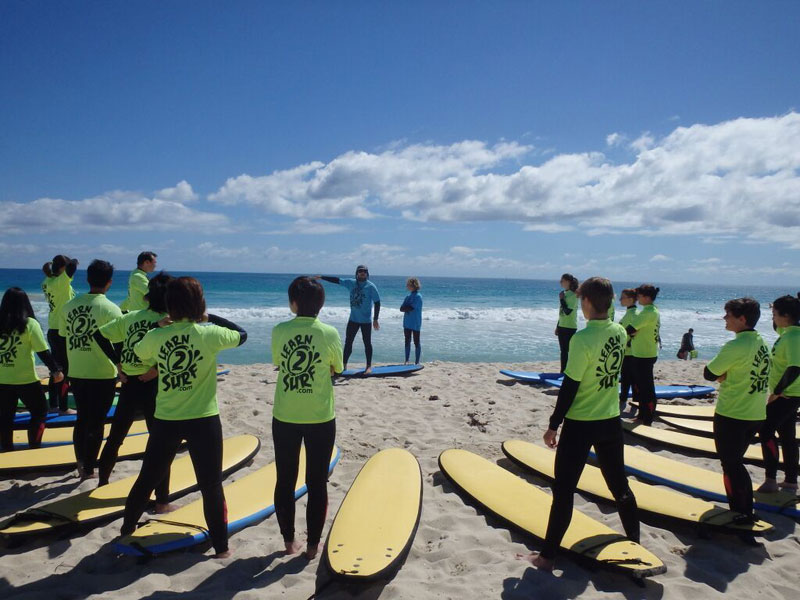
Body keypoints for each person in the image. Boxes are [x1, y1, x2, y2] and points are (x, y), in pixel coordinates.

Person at [121, 276, 247, 558]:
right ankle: (222, 550)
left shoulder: (157, 337)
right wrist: (208, 316)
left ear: (169, 306)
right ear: (199, 305)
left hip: (166, 419)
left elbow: (137, 349)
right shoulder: (210, 334)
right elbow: (242, 334)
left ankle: (126, 531)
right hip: (204, 419)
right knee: (211, 485)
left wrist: (158, 325)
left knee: (147, 479)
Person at [523, 277, 638, 572]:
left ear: (586, 302)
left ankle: (546, 557)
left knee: (563, 490)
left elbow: (570, 386)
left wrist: (553, 424)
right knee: (620, 486)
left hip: (580, 423)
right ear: (611, 302)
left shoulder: (582, 339)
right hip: (610, 420)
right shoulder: (620, 332)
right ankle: (635, 543)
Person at [270, 276, 342, 559]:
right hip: (320, 417)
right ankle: (313, 546)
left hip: (285, 415)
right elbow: (337, 368)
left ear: (293, 303)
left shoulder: (279, 331)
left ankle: (289, 542)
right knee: (317, 481)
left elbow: (279, 362)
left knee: (285, 480)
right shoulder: (330, 333)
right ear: (321, 305)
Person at [93, 272, 174, 511]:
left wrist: (117, 362)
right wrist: (158, 370)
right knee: (160, 444)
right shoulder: (171, 322)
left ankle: (103, 483)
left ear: (148, 297)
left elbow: (99, 335)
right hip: (153, 386)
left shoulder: (131, 317)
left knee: (116, 437)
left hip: (128, 384)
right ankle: (161, 502)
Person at [703, 297, 770, 529]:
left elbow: (709, 373)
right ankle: (743, 510)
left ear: (742, 319)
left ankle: (742, 513)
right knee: (735, 463)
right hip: (756, 413)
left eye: (728, 315)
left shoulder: (735, 346)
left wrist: (723, 375)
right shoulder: (761, 341)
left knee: (731, 466)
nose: (724, 318)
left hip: (733, 413)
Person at [59, 260, 122, 479]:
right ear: (109, 282)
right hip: (102, 373)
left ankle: (80, 463)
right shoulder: (111, 309)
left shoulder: (68, 307)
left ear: (88, 279)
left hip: (77, 371)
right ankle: (88, 469)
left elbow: (64, 338)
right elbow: (119, 343)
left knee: (83, 419)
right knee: (96, 422)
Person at [0, 288, 63, 451]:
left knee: (5, 418)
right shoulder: (29, 324)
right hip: (26, 380)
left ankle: (7, 449)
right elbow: (42, 351)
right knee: (40, 411)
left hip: (2, 381)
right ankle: (34, 447)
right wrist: (56, 370)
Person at [757, 294, 800, 494]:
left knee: (766, 431)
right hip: (789, 394)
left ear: (785, 315)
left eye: (774, 313)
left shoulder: (793, 337)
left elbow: (795, 368)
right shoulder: (788, 332)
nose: (772, 317)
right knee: (787, 436)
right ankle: (791, 480)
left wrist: (776, 392)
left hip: (787, 394)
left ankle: (771, 480)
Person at [315, 265, 380, 374]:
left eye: (364, 271)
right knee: (348, 343)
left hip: (366, 321)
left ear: (367, 273)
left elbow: (377, 302)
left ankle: (368, 366)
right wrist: (322, 277)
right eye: (360, 271)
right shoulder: (351, 283)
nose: (362, 273)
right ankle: (343, 365)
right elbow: (337, 280)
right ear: (357, 273)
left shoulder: (371, 286)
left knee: (367, 343)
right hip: (353, 319)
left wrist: (375, 319)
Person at [41, 254, 78, 414]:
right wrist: (71, 262)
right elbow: (73, 266)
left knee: (56, 369)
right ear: (63, 268)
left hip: (53, 328)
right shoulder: (61, 282)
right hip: (62, 330)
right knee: (65, 371)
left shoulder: (47, 281)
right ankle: (63, 407)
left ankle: (54, 404)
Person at [625, 284, 661, 425]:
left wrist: (633, 331)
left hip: (644, 355)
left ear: (646, 297)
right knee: (640, 387)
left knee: (647, 389)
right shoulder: (651, 310)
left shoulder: (648, 313)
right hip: (642, 353)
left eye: (639, 296)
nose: (637, 298)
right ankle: (642, 416)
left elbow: (629, 329)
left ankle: (647, 419)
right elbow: (634, 330)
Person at [554, 273, 579, 373]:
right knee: (563, 351)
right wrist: (557, 326)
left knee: (568, 351)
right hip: (562, 326)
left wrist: (561, 299)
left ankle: (567, 371)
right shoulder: (564, 293)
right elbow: (561, 314)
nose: (560, 282)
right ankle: (562, 371)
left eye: (562, 280)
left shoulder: (574, 295)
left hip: (570, 327)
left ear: (568, 282)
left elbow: (568, 312)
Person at [618, 288, 637, 411]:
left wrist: (628, 342)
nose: (620, 299)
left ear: (630, 299)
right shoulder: (629, 313)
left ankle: (632, 403)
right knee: (625, 378)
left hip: (631, 353)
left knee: (630, 379)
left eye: (622, 297)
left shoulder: (634, 314)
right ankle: (624, 400)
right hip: (626, 352)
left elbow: (636, 331)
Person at [400, 277, 423, 365]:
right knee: (407, 340)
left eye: (408, 285)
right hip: (407, 322)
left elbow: (411, 307)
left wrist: (406, 308)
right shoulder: (408, 296)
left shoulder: (418, 296)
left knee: (416, 341)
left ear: (413, 285)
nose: (407, 286)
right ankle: (407, 360)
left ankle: (417, 361)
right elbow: (401, 308)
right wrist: (406, 308)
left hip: (415, 322)